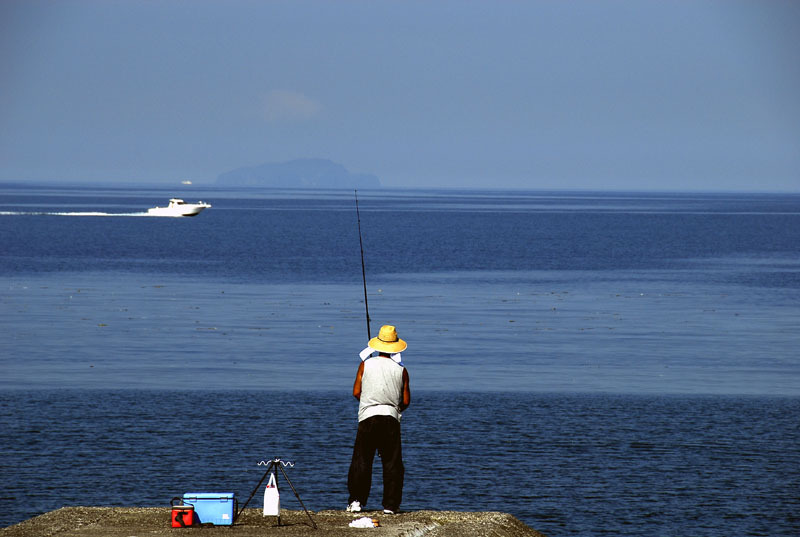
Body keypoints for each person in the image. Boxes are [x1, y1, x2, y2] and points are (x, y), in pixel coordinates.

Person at [346, 324, 411, 515]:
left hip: (368, 417)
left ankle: (356, 501)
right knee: (392, 463)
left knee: (362, 460)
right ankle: (390, 505)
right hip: (390, 418)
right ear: (395, 347)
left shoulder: (365, 364)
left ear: (378, 345)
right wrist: (394, 407)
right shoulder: (402, 370)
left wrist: (369, 400)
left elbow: (356, 392)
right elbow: (406, 400)